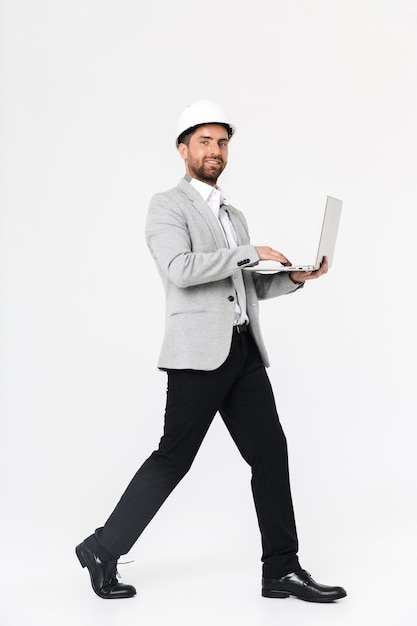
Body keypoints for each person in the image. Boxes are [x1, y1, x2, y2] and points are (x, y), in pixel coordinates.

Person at [76, 99, 347, 603]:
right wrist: (250, 252)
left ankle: (281, 570)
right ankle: (102, 547)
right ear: (183, 150)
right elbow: (180, 269)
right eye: (205, 141)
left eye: (222, 142)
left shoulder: (233, 214)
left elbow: (244, 287)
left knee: (271, 453)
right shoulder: (166, 205)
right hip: (197, 357)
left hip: (243, 352)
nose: (215, 150)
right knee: (173, 459)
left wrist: (293, 277)